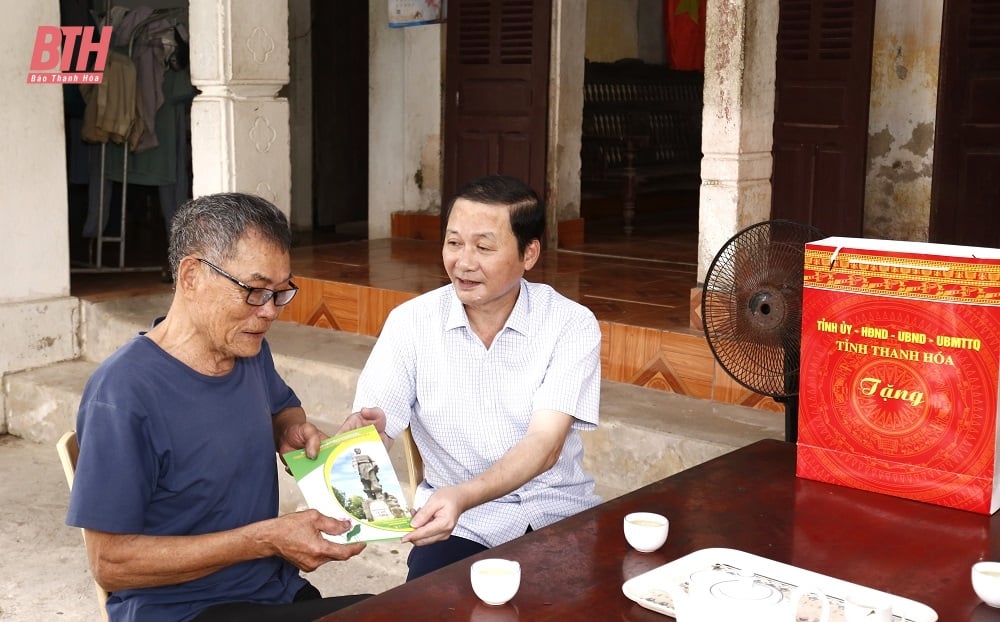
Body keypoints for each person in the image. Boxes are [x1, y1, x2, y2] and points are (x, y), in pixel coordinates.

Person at [66, 193, 373, 622]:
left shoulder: (246, 348)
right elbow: (111, 563)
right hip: (182, 610)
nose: (268, 312)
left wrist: (289, 430)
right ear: (191, 276)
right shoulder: (124, 393)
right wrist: (265, 539)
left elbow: (283, 410)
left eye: (279, 292)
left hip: (272, 592)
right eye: (253, 290)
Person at [342, 175, 603, 581]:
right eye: (453, 242)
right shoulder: (411, 324)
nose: (463, 262)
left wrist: (463, 496)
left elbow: (545, 445)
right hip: (460, 524)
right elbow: (371, 433)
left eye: (483, 247)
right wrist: (360, 436)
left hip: (558, 511)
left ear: (528, 254)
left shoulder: (569, 324)